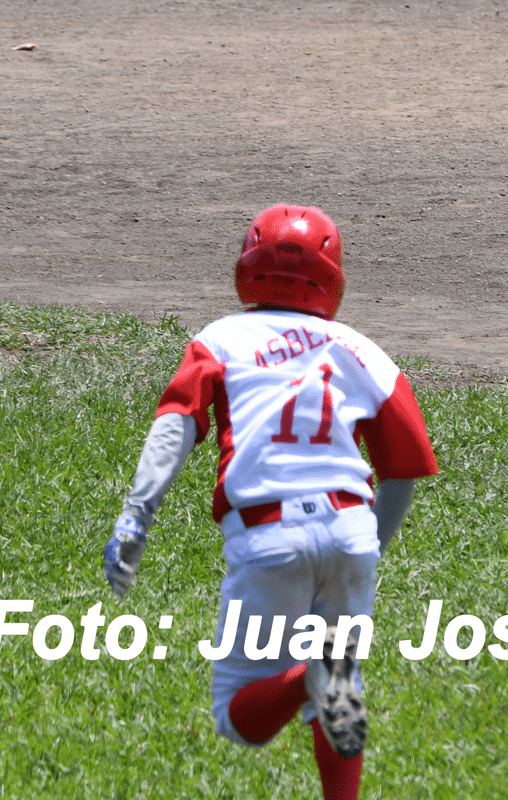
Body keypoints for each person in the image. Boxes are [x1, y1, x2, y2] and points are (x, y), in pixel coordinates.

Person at [102, 204, 439, 798]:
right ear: (331, 275)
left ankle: (310, 677)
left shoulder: (221, 339)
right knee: (338, 690)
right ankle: (323, 686)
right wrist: (367, 550)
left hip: (268, 534)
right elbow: (406, 467)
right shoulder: (359, 348)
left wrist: (137, 514)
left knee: (237, 716)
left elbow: (176, 423)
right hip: (352, 527)